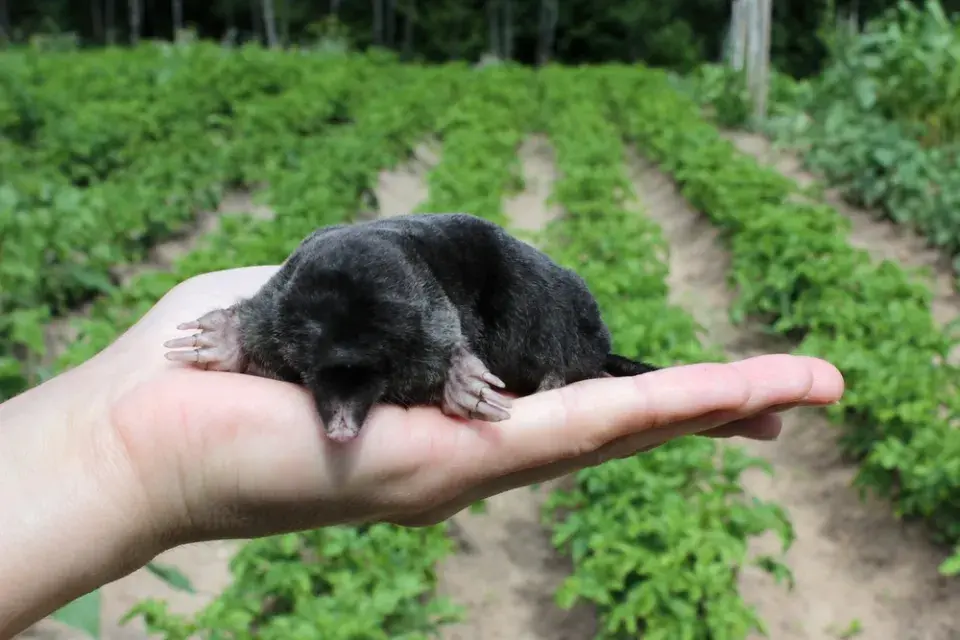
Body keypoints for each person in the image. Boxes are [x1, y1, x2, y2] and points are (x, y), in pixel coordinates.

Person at [0, 266, 844, 637]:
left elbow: (439, 333)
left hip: (506, 312)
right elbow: (268, 327)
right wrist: (126, 440)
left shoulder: (439, 320)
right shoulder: (282, 312)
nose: (338, 426)